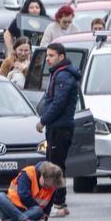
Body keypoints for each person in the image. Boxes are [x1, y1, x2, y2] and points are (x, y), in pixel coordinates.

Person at [35, 42, 80, 211]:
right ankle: (57, 201)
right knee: (55, 163)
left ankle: (59, 202)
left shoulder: (63, 76)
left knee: (56, 166)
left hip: (60, 127)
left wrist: (43, 120)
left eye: (51, 56)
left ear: (61, 57)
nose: (48, 59)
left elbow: (58, 104)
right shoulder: (58, 73)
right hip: (58, 126)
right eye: (47, 55)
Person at [0, 162, 67, 221]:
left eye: (50, 186)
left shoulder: (52, 187)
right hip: (11, 210)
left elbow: (46, 211)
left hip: (30, 214)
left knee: (38, 210)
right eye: (46, 185)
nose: (47, 188)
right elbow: (24, 196)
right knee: (0, 196)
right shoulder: (28, 173)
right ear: (42, 175)